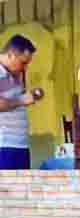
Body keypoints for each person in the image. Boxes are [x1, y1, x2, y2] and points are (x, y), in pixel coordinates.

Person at [0, 35, 43, 169]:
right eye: (23, 63)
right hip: (4, 146)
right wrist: (22, 100)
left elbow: (14, 99)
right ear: (11, 55)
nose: (25, 68)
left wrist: (32, 95)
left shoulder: (16, 73)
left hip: (21, 145)